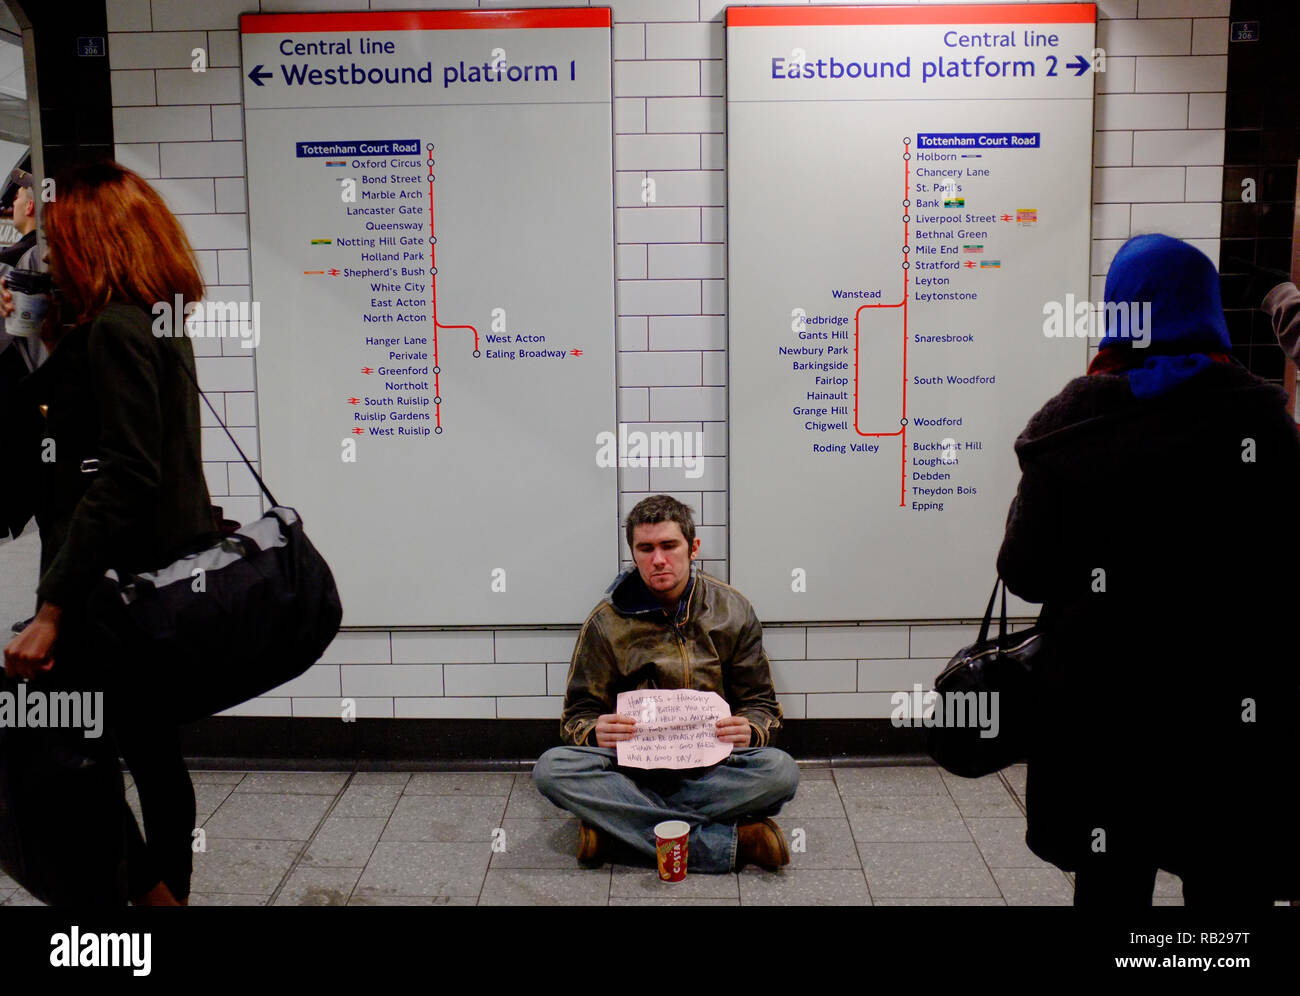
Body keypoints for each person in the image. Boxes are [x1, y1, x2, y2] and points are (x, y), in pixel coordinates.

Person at [997, 233, 1300, 906]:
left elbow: (1026, 572)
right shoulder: (1263, 424)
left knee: (1110, 884)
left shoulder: (1072, 426)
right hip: (1231, 727)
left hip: (1106, 723)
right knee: (1227, 888)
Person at [1, 161, 216, 905]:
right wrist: (35, 329)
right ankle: (163, 902)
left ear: (94, 237)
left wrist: (53, 611)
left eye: (61, 241)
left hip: (104, 594)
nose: (52, 257)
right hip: (148, 587)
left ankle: (143, 899)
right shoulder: (150, 317)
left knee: (51, 739)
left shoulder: (118, 331)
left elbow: (126, 473)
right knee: (152, 755)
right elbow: (74, 414)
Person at [533, 495, 798, 873]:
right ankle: (730, 844)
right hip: (631, 766)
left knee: (781, 772)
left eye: (669, 546)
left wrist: (751, 729)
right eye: (645, 548)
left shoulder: (732, 610)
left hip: (712, 764)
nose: (658, 559)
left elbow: (762, 705)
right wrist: (594, 731)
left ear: (693, 549)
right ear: (633, 553)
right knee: (552, 769)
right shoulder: (605, 623)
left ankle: (617, 828)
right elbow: (576, 717)